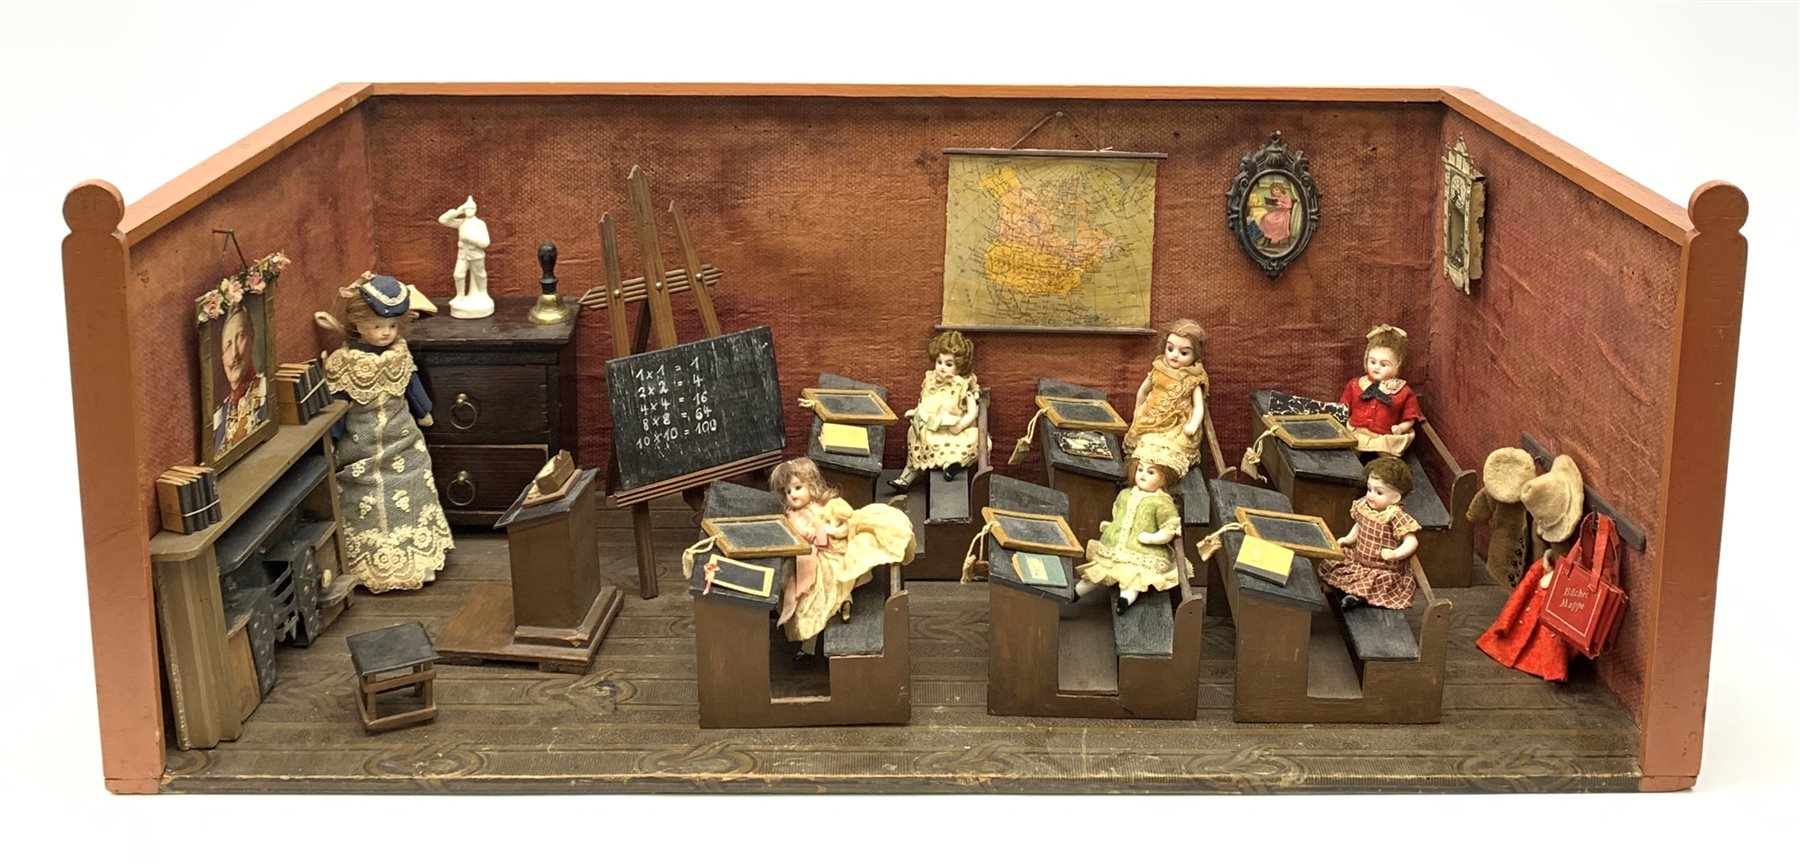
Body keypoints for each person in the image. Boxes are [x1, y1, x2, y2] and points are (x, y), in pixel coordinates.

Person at [316, 273, 455, 593]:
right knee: (362, 495)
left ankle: (417, 556)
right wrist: (332, 439)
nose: (385, 333)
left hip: (402, 439)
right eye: (378, 326)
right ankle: (374, 561)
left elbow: (413, 389)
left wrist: (425, 413)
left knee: (414, 485)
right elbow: (338, 407)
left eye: (391, 327)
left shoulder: (399, 356)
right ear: (358, 324)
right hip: (360, 447)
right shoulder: (345, 363)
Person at [773, 458, 915, 657]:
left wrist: (840, 525)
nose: (792, 495)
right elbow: (806, 533)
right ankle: (809, 646)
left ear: (810, 485)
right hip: (817, 556)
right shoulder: (794, 516)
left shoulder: (821, 505)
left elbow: (838, 518)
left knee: (859, 547)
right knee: (816, 598)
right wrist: (828, 529)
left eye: (797, 488)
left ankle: (845, 599)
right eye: (788, 492)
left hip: (834, 548)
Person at [1074, 459, 1187, 613]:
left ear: (1164, 479)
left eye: (1151, 472)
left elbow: (1169, 528)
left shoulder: (1162, 502)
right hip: (1114, 543)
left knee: (1134, 577)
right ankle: (1077, 592)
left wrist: (1153, 538)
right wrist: (1112, 525)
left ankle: (1125, 599)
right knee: (1100, 570)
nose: (1143, 475)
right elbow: (1118, 513)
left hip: (1142, 549)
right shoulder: (1125, 494)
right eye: (1140, 470)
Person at [1320, 456, 1421, 611]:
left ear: (1396, 497)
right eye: (1369, 489)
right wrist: (1349, 538)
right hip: (1359, 558)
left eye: (1379, 492)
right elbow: (1359, 526)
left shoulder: (1395, 516)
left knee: (1376, 582)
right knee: (1334, 560)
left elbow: (1411, 542)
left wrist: (1395, 554)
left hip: (1382, 567)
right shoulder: (1364, 507)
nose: (1371, 495)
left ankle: (1355, 596)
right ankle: (1335, 585)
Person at [890, 330, 981, 490]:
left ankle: (952, 466)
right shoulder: (931, 381)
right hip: (931, 427)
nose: (942, 368)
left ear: (960, 366)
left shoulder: (963, 385)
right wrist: (916, 412)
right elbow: (924, 402)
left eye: (948, 364)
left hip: (953, 430)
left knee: (978, 442)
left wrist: (960, 426)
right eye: (939, 362)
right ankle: (907, 477)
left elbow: (973, 412)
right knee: (915, 434)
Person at [1122, 318, 1209, 479]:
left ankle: (1161, 475)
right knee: (1145, 443)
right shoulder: (1158, 369)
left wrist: (1193, 424)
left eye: (1184, 353)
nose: (1175, 355)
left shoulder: (1193, 377)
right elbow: (1142, 392)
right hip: (1152, 417)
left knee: (1175, 447)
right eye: (1170, 349)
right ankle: (1144, 471)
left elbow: (1199, 406)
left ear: (1195, 354)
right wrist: (1137, 411)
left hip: (1177, 422)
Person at [1339, 323, 1424, 456]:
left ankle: (1384, 470)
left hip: (1384, 436)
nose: (1376, 367)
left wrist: (1400, 428)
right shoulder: (1357, 384)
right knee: (1350, 452)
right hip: (1357, 431)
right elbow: (1343, 408)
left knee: (1387, 455)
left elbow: (1410, 417)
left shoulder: (1403, 391)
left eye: (1383, 364)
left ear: (1397, 365)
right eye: (1372, 362)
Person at [211, 302, 269, 453]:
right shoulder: (218, 418)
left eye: (240, 337)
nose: (234, 353)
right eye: (228, 345)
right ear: (222, 357)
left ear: (252, 338)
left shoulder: (266, 392)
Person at [438, 196, 493, 319]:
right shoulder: (461, 222)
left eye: (471, 208)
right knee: (458, 274)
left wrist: (469, 239)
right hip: (463, 254)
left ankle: (483, 294)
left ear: (476, 209)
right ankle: (460, 295)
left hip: (476, 255)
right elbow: (443, 220)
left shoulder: (480, 224)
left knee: (480, 274)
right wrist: (457, 211)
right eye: (466, 208)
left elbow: (485, 243)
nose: (469, 210)